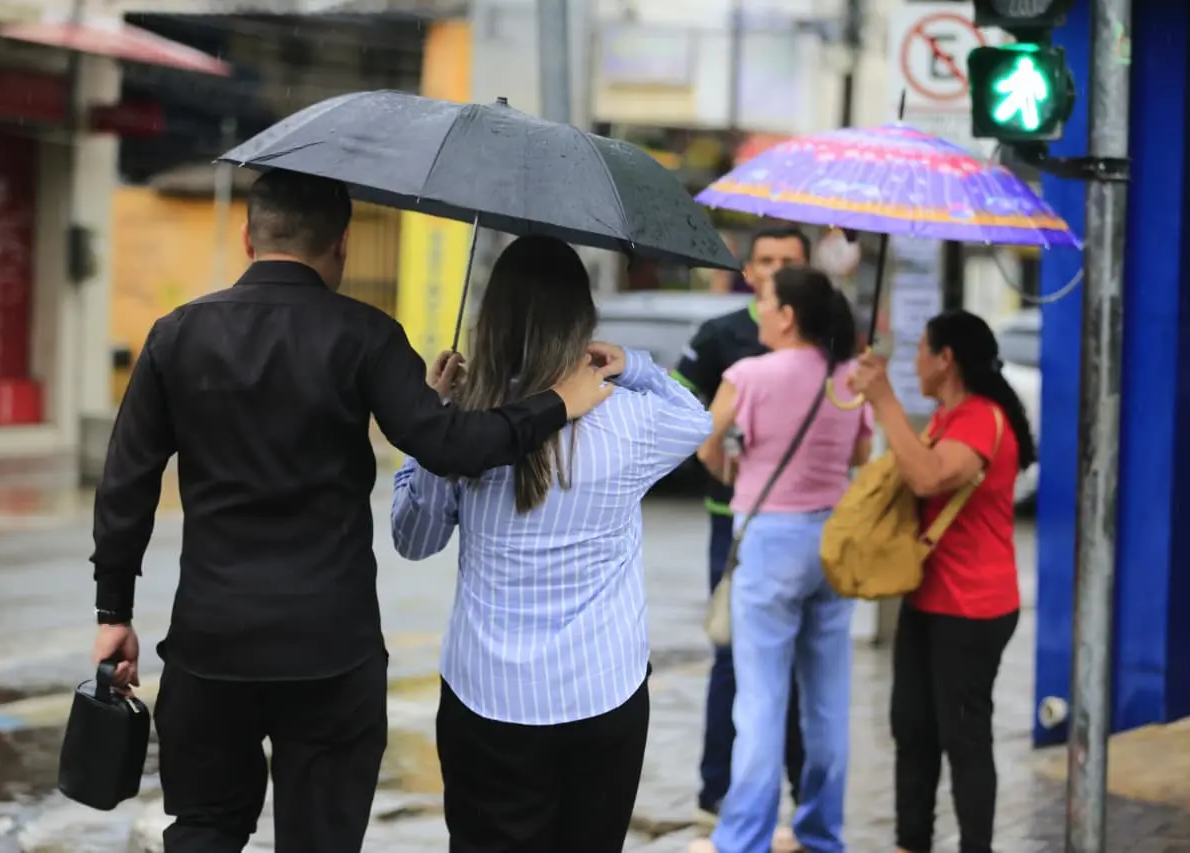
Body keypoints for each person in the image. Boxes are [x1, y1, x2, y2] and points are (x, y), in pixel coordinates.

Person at [86, 171, 614, 853]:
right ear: (342, 245)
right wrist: (557, 402)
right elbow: (453, 446)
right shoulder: (366, 335)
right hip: (330, 651)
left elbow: (124, 485)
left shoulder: (176, 335)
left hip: (212, 644)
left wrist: (112, 613)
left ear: (248, 237)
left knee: (205, 827)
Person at [389, 235, 712, 853]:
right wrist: (636, 364)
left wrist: (433, 420)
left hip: (486, 698)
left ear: (494, 316)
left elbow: (413, 539)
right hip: (603, 693)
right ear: (582, 320)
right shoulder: (630, 419)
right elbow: (696, 417)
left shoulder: (467, 426)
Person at [689, 266, 871, 853]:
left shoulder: (748, 375)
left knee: (761, 700)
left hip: (768, 541)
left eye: (765, 301)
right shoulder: (848, 376)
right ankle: (820, 831)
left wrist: (732, 471)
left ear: (788, 315)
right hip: (832, 541)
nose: (759, 310)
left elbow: (706, 443)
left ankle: (744, 836)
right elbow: (862, 451)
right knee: (826, 702)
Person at [847, 309, 1034, 853]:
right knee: (913, 730)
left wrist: (884, 400)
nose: (916, 361)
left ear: (945, 358)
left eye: (922, 350)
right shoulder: (946, 416)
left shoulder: (980, 417)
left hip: (973, 607)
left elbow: (927, 476)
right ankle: (912, 842)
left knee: (964, 738)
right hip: (928, 596)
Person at [672, 225, 812, 846]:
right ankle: (716, 791)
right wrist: (716, 455)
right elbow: (680, 414)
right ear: (748, 270)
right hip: (733, 524)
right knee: (731, 655)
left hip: (807, 528)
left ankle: (804, 791)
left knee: (803, 662)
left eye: (790, 261)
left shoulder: (829, 337)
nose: (777, 269)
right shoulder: (719, 336)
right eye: (767, 260)